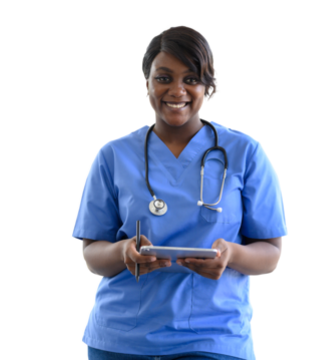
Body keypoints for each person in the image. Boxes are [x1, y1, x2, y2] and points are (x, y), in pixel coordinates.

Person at [71, 25, 287, 360]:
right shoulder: (112, 155)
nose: (177, 90)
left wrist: (231, 254)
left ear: (207, 86)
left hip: (214, 339)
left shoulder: (246, 152)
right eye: (164, 77)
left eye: (191, 78)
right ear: (147, 84)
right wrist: (125, 251)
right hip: (121, 340)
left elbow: (271, 255)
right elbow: (92, 257)